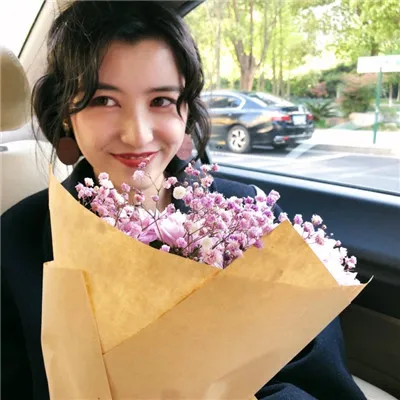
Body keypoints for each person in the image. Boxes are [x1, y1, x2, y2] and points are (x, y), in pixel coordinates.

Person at [1, 1, 366, 399]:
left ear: (186, 108)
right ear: (65, 113)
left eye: (160, 100)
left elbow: (315, 376)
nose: (138, 135)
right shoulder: (16, 240)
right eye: (103, 100)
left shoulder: (251, 219)